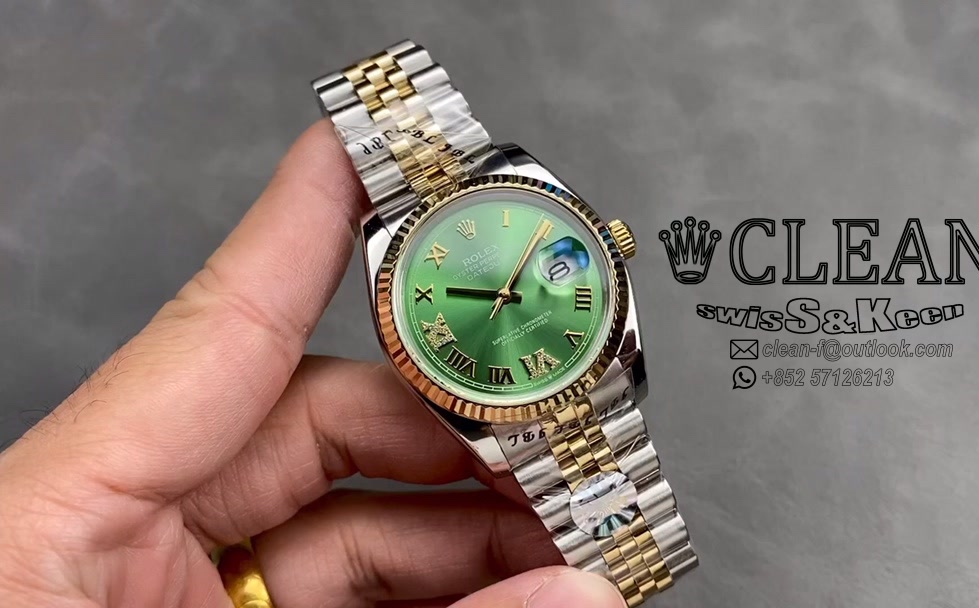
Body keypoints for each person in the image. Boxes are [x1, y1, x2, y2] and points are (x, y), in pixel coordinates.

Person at [0, 122, 627, 608]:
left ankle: (628, 550)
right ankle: (627, 555)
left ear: (610, 244)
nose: (505, 295)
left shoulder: (517, 184)